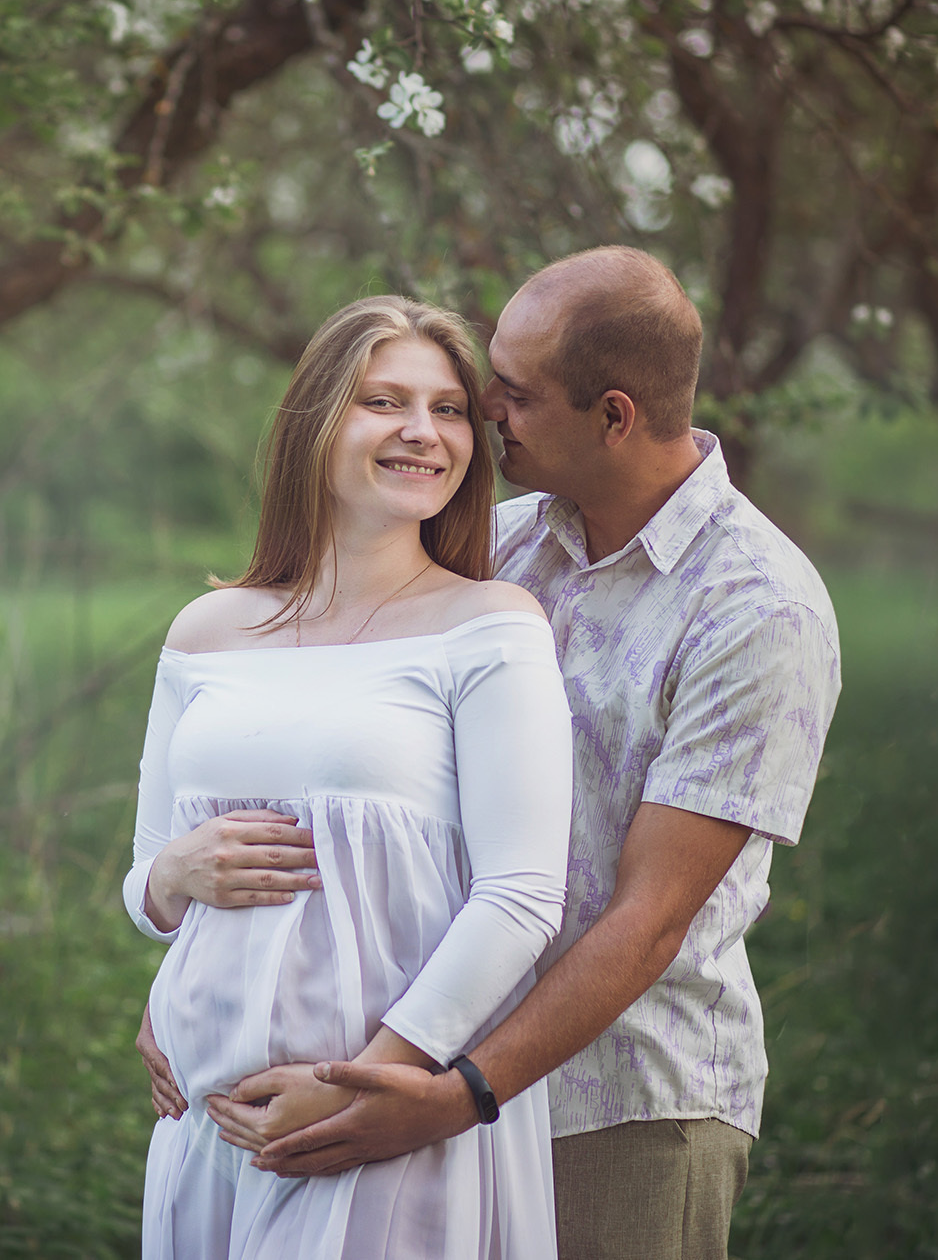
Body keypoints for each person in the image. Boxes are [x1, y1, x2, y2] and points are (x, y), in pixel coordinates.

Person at [149, 248, 843, 1260]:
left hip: (620, 1099)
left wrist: (451, 1094)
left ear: (611, 415)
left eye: (508, 396)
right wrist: (187, 985)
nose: (480, 417)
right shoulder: (502, 546)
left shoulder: (754, 610)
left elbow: (646, 920)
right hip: (414, 1070)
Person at [124, 294, 575, 1259]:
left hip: (378, 1123)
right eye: (384, 401)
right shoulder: (206, 633)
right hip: (207, 1117)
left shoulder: (489, 624)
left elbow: (522, 895)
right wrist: (172, 877)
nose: (423, 432)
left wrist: (371, 1084)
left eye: (450, 409)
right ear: (315, 423)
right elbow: (148, 886)